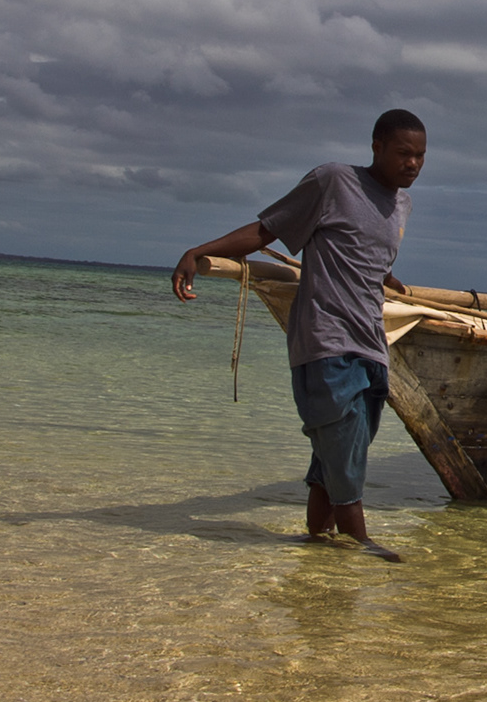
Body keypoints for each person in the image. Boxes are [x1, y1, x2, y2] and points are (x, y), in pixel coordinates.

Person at [172, 109, 426, 562]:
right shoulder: (333, 182)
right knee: (343, 447)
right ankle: (359, 542)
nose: (413, 164)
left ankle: (318, 548)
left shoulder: (401, 205)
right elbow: (267, 229)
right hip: (325, 341)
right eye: (403, 153)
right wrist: (199, 251)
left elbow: (359, 250)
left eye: (421, 156)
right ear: (377, 148)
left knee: (337, 454)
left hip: (371, 342)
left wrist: (387, 277)